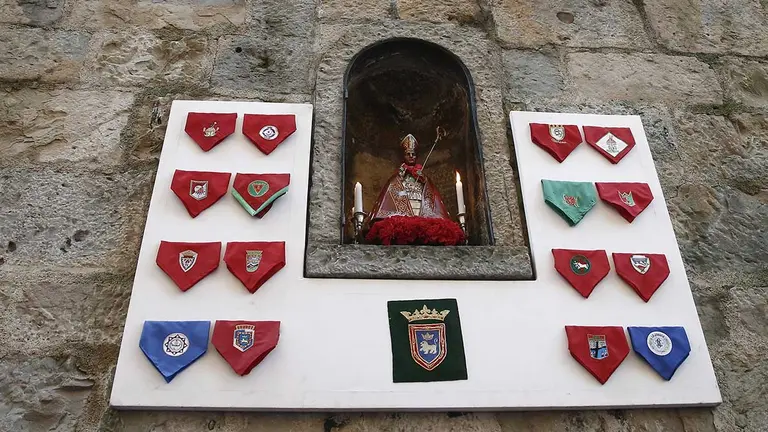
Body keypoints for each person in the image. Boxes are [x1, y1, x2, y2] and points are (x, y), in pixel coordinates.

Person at [367, 134, 451, 222]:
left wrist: (424, 180)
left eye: (413, 154)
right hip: (404, 209)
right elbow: (392, 192)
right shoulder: (398, 176)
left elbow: (430, 195)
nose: (411, 156)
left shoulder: (423, 177)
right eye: (408, 154)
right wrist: (400, 176)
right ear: (404, 156)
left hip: (420, 208)